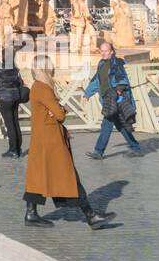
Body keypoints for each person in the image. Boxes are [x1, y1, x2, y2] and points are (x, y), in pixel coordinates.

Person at [23, 61, 112, 230]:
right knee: (69, 177)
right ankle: (91, 216)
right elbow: (59, 114)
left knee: (38, 177)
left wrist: (55, 112)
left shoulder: (37, 87)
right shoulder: (44, 88)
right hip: (51, 142)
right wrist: (61, 110)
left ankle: (31, 213)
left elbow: (52, 113)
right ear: (46, 70)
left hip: (43, 140)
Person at [84, 40, 142, 159]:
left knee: (107, 124)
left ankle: (98, 151)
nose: (104, 53)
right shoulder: (101, 64)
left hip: (115, 100)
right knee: (121, 125)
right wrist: (87, 94)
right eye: (102, 51)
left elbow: (123, 81)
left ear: (111, 52)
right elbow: (96, 81)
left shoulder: (116, 63)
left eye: (106, 51)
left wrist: (117, 93)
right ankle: (135, 148)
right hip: (107, 99)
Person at [0, 40, 27, 158]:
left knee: (9, 124)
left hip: (5, 99)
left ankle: (13, 150)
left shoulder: (1, 70)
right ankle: (18, 148)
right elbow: (2, 69)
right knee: (15, 123)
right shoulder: (14, 68)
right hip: (15, 97)